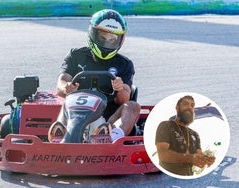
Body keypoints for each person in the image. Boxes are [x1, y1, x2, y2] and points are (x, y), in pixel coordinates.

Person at [48, 9, 141, 143]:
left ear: (120, 40)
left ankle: (110, 138)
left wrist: (119, 88)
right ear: (93, 34)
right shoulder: (76, 55)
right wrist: (67, 87)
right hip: (76, 116)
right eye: (103, 37)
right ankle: (61, 137)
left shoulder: (124, 64)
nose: (107, 42)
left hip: (108, 119)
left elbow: (124, 99)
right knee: (66, 101)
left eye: (112, 39)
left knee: (133, 106)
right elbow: (61, 84)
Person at [155, 95, 215, 176]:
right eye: (185, 104)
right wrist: (190, 158)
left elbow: (199, 155)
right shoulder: (166, 125)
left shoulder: (195, 134)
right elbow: (163, 154)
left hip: (188, 177)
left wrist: (206, 159)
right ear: (177, 107)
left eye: (192, 105)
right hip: (167, 175)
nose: (189, 107)